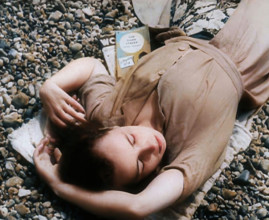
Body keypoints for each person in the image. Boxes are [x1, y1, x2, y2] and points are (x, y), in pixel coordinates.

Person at [34, 0, 269, 219]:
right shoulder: (188, 156)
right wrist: (60, 187)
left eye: (130, 139)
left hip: (196, 21)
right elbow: (139, 207)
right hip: (250, 44)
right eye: (140, 165)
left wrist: (50, 87)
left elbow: (91, 67)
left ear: (104, 132)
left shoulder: (106, 115)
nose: (150, 146)